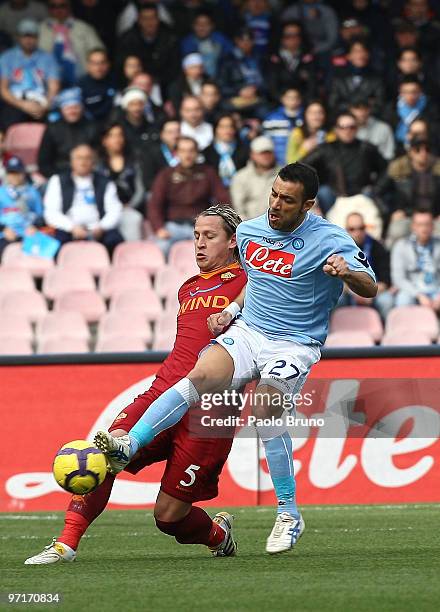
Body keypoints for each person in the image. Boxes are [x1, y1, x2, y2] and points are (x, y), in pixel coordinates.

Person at [95, 161, 377, 555]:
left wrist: (346, 272)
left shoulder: (331, 239)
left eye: (287, 200)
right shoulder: (249, 232)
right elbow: (257, 284)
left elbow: (371, 287)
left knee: (264, 411)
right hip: (249, 332)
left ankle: (288, 513)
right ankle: (129, 443)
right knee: (199, 376)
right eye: (274, 194)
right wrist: (231, 310)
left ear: (308, 204)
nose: (276, 205)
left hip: (293, 343)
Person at [24, 205, 246, 564]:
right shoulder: (188, 288)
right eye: (195, 236)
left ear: (234, 241)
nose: (199, 244)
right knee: (104, 453)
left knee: (168, 517)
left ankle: (219, 535)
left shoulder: (252, 283)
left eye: (210, 236)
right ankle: (65, 545)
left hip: (210, 410)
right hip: (161, 394)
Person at [148, 136, 229, 257]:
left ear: (197, 153)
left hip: (202, 226)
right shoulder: (166, 174)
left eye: (191, 151)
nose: (188, 155)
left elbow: (223, 198)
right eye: (183, 151)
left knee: (219, 248)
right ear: (176, 153)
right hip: (173, 226)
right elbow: (154, 204)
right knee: (160, 247)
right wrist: (159, 228)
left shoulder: (208, 173)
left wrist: (221, 222)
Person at [43, 143, 123, 254]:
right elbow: (51, 212)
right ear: (72, 161)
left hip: (98, 228)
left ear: (93, 162)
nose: (83, 162)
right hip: (69, 228)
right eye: (79, 158)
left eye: (87, 158)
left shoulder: (105, 182)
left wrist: (101, 227)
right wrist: (72, 227)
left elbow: (115, 210)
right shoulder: (57, 181)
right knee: (56, 244)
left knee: (115, 241)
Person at [302, 110, 387, 215]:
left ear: (357, 129)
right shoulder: (326, 149)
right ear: (336, 129)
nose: (347, 131)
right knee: (324, 192)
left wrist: (376, 188)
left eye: (351, 127)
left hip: (362, 195)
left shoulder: (367, 148)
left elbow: (386, 169)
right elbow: (302, 166)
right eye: (343, 127)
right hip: (334, 197)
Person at [0, 18, 60, 128]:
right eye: (25, 36)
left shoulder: (48, 58)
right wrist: (23, 105)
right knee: (8, 121)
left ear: (37, 37)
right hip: (15, 102)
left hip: (41, 102)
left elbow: (54, 87)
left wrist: (45, 106)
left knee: (55, 123)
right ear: (18, 37)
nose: (28, 40)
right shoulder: (7, 57)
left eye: (32, 36)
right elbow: (3, 89)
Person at [385, 135, 440, 246]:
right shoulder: (398, 169)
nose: (423, 153)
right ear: (410, 152)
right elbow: (378, 192)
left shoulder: (437, 170)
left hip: (434, 217)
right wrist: (392, 212)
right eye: (418, 150)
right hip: (407, 215)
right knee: (397, 232)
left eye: (427, 149)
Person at [339, 212, 394, 318]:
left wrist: (369, 293)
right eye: (352, 229)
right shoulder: (338, 248)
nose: (358, 232)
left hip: (375, 291)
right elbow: (336, 280)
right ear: (346, 230)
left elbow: (385, 279)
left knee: (387, 301)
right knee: (335, 298)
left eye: (361, 228)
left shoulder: (377, 247)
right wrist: (356, 293)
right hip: (348, 291)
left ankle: (385, 332)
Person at [115, 3, 179, 94]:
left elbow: (174, 69)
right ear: (139, 20)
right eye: (145, 19)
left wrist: (155, 80)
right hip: (133, 85)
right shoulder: (127, 40)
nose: (149, 22)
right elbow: (120, 68)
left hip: (163, 86)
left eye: (152, 18)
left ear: (158, 20)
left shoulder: (170, 38)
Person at [97, 122, 144, 241]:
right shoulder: (97, 164)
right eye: (112, 136)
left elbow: (140, 189)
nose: (117, 139)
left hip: (129, 207)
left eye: (119, 135)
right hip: (104, 209)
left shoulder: (134, 161)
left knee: (133, 219)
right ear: (104, 140)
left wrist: (130, 205)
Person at [38, 0, 104, 86]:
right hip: (46, 82)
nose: (58, 9)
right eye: (53, 6)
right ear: (48, 9)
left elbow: (99, 53)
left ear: (69, 7)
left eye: (63, 5)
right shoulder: (39, 29)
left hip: (82, 81)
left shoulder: (84, 28)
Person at [37, 87, 98, 178]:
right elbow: (43, 162)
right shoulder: (52, 128)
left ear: (82, 108)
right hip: (59, 174)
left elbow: (97, 158)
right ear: (61, 109)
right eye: (68, 108)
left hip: (87, 175)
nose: (72, 111)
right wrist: (56, 179)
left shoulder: (92, 127)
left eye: (76, 107)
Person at [391, 210, 440, 309]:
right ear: (413, 226)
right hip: (412, 290)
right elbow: (398, 278)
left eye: (427, 224)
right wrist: (419, 295)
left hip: (436, 289)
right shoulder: (401, 246)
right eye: (420, 225)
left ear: (433, 226)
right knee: (403, 300)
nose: (424, 228)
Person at [0, 155, 44, 258]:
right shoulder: (1, 192)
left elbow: (40, 216)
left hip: (28, 233)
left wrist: (34, 226)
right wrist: (4, 229)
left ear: (23, 173)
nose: (14, 176)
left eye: (17, 173)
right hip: (5, 234)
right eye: (11, 173)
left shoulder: (32, 192)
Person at [264, 20, 317, 104]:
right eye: (288, 36)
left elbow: (312, 86)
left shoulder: (309, 58)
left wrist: (299, 101)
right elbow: (271, 88)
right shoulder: (272, 58)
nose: (293, 39)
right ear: (281, 38)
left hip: (303, 103)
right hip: (278, 103)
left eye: (296, 35)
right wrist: (284, 100)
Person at [328, 39, 385, 116]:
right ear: (348, 56)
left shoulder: (376, 78)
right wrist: (353, 109)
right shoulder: (339, 78)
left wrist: (363, 112)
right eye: (356, 51)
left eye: (362, 51)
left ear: (368, 54)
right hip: (344, 121)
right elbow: (333, 103)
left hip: (369, 119)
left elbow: (380, 103)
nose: (360, 55)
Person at [230, 135, 280, 220]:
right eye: (261, 153)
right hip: (250, 225)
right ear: (252, 154)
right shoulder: (240, 177)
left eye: (268, 152)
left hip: (280, 226)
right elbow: (238, 209)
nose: (266, 156)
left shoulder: (284, 175)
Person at [180, 10, 232, 79]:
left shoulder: (220, 39)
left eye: (206, 24)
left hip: (220, 79)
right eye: (198, 24)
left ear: (212, 26)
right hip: (196, 80)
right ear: (193, 26)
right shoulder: (187, 42)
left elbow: (230, 58)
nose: (202, 27)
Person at [202, 114, 249, 188]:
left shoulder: (245, 151)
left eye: (231, 126)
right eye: (222, 127)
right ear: (215, 129)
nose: (227, 130)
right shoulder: (207, 152)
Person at [262, 87, 304, 166]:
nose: (293, 100)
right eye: (289, 97)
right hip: (278, 164)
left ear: (300, 100)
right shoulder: (272, 119)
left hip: (303, 163)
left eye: (296, 97)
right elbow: (266, 141)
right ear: (282, 99)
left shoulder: (307, 117)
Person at [140, 118, 180, 193]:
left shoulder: (189, 151)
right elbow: (148, 182)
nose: (175, 136)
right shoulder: (151, 154)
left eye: (178, 131)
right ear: (162, 135)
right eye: (170, 132)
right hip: (163, 194)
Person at [77, 48, 116, 124]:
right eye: (94, 63)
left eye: (102, 63)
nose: (99, 67)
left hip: (113, 125)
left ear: (108, 64)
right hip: (88, 127)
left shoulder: (116, 81)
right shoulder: (80, 85)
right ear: (88, 65)